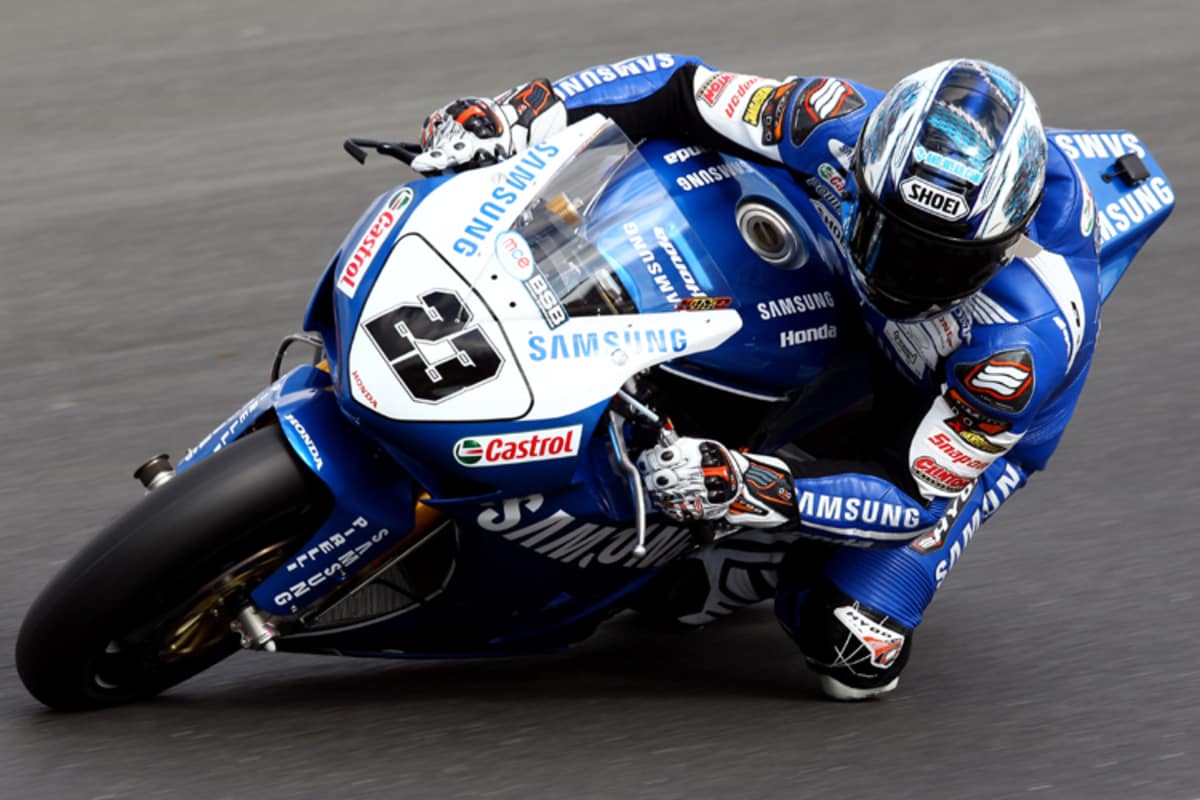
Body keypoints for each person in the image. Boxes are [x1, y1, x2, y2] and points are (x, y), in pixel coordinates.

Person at [412, 55, 1100, 700]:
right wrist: (526, 109)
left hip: (943, 419)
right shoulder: (830, 124)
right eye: (892, 236)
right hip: (839, 304)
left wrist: (745, 487)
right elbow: (676, 86)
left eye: (939, 262)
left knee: (854, 647)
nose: (905, 275)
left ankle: (756, 553)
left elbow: (910, 496)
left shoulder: (1015, 351)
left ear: (1000, 247)